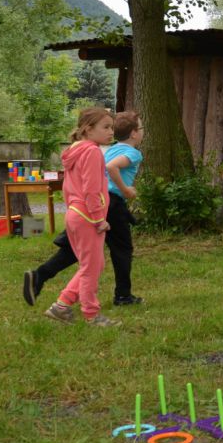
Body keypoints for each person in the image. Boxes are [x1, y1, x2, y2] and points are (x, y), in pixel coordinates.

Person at [23, 111, 144, 308]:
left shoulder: (103, 149)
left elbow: (78, 181)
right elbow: (109, 170)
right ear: (133, 133)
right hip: (104, 203)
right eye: (141, 128)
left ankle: (41, 276)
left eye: (112, 127)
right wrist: (125, 190)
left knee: (76, 250)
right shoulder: (126, 152)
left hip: (85, 206)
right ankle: (120, 297)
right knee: (119, 250)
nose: (110, 131)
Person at [40, 107, 119, 327]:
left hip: (76, 214)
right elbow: (91, 190)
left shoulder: (75, 150)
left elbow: (68, 188)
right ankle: (92, 315)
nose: (111, 132)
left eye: (112, 127)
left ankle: (61, 306)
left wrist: (75, 210)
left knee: (93, 264)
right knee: (91, 268)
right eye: (106, 127)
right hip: (87, 217)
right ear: (88, 129)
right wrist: (98, 218)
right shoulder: (92, 152)